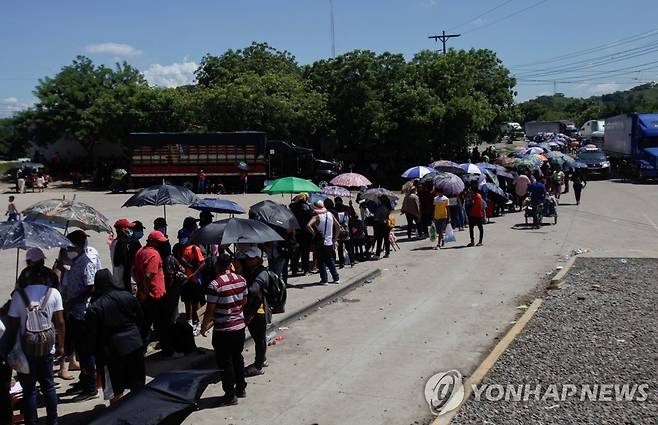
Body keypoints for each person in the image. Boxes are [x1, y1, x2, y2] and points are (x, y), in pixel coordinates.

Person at [8, 251, 65, 425]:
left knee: (29, 390)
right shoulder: (54, 293)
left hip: (26, 348)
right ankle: (53, 421)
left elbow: (12, 325)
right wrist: (61, 346)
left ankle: (32, 422)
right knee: (48, 385)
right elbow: (60, 323)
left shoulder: (20, 295)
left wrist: (10, 350)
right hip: (48, 346)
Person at [85, 269, 145, 404]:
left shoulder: (95, 307)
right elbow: (140, 318)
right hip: (134, 344)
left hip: (111, 351)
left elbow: (92, 335)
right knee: (137, 384)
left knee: (116, 389)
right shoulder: (127, 296)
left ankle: (117, 417)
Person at [201, 254, 248, 406]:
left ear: (217, 266)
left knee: (225, 362)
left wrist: (204, 326)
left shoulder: (215, 285)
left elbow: (209, 310)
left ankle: (230, 395)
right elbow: (244, 300)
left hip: (223, 329)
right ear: (230, 265)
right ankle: (241, 388)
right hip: (239, 326)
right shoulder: (241, 279)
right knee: (237, 357)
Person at [59, 230, 99, 401]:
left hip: (83, 313)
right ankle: (84, 380)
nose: (69, 248)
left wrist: (73, 301)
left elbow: (91, 288)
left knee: (86, 351)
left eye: (70, 245)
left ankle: (90, 388)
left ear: (78, 245)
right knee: (81, 351)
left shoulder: (86, 262)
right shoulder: (75, 260)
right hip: (75, 312)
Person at [132, 231, 168, 351]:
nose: (161, 244)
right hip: (154, 295)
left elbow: (133, 270)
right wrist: (145, 291)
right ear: (153, 241)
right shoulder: (154, 254)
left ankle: (141, 350)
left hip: (145, 294)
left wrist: (139, 286)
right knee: (160, 324)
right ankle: (166, 350)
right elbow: (148, 275)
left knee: (145, 324)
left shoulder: (140, 251)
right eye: (159, 242)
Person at [236, 247, 269, 377]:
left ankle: (258, 366)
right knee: (258, 338)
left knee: (259, 338)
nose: (248, 260)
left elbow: (253, 290)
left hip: (258, 311)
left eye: (252, 258)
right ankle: (262, 359)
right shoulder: (250, 270)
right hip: (252, 310)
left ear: (258, 259)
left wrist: (242, 282)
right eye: (247, 257)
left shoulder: (261, 273)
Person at [306, 201, 341, 285]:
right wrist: (335, 239)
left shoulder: (317, 217)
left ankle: (324, 280)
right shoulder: (330, 214)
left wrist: (314, 233)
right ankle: (336, 278)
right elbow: (338, 226)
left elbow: (308, 225)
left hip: (320, 241)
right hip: (329, 241)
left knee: (321, 261)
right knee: (330, 260)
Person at [289, 193, 313, 276]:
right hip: (306, 232)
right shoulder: (307, 207)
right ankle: (305, 269)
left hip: (296, 231)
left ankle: (294, 269)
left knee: (296, 252)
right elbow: (311, 218)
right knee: (305, 253)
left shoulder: (293, 207)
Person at [110, 219, 137, 292]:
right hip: (123, 283)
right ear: (123, 229)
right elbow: (125, 264)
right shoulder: (122, 243)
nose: (129, 230)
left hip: (116, 280)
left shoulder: (113, 243)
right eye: (127, 228)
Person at [466, 182, 485, 247]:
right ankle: (472, 241)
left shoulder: (476, 197)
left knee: (480, 228)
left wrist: (470, 202)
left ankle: (479, 241)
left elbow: (473, 205)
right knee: (471, 228)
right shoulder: (476, 196)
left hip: (477, 214)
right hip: (474, 214)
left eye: (471, 190)